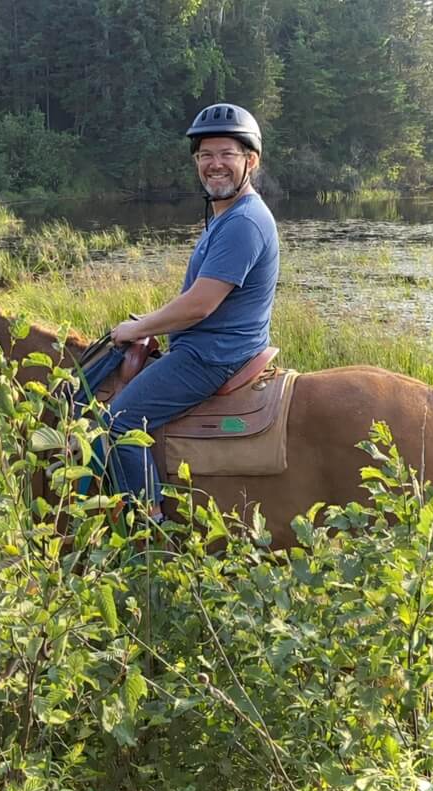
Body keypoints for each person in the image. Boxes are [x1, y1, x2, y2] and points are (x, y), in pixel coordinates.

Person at [108, 102, 280, 517]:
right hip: (210, 348)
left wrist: (138, 328)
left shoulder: (244, 222)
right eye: (205, 155)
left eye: (226, 154)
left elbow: (200, 305)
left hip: (212, 358)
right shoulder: (229, 215)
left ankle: (149, 529)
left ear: (250, 161)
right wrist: (149, 323)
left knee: (118, 423)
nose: (214, 164)